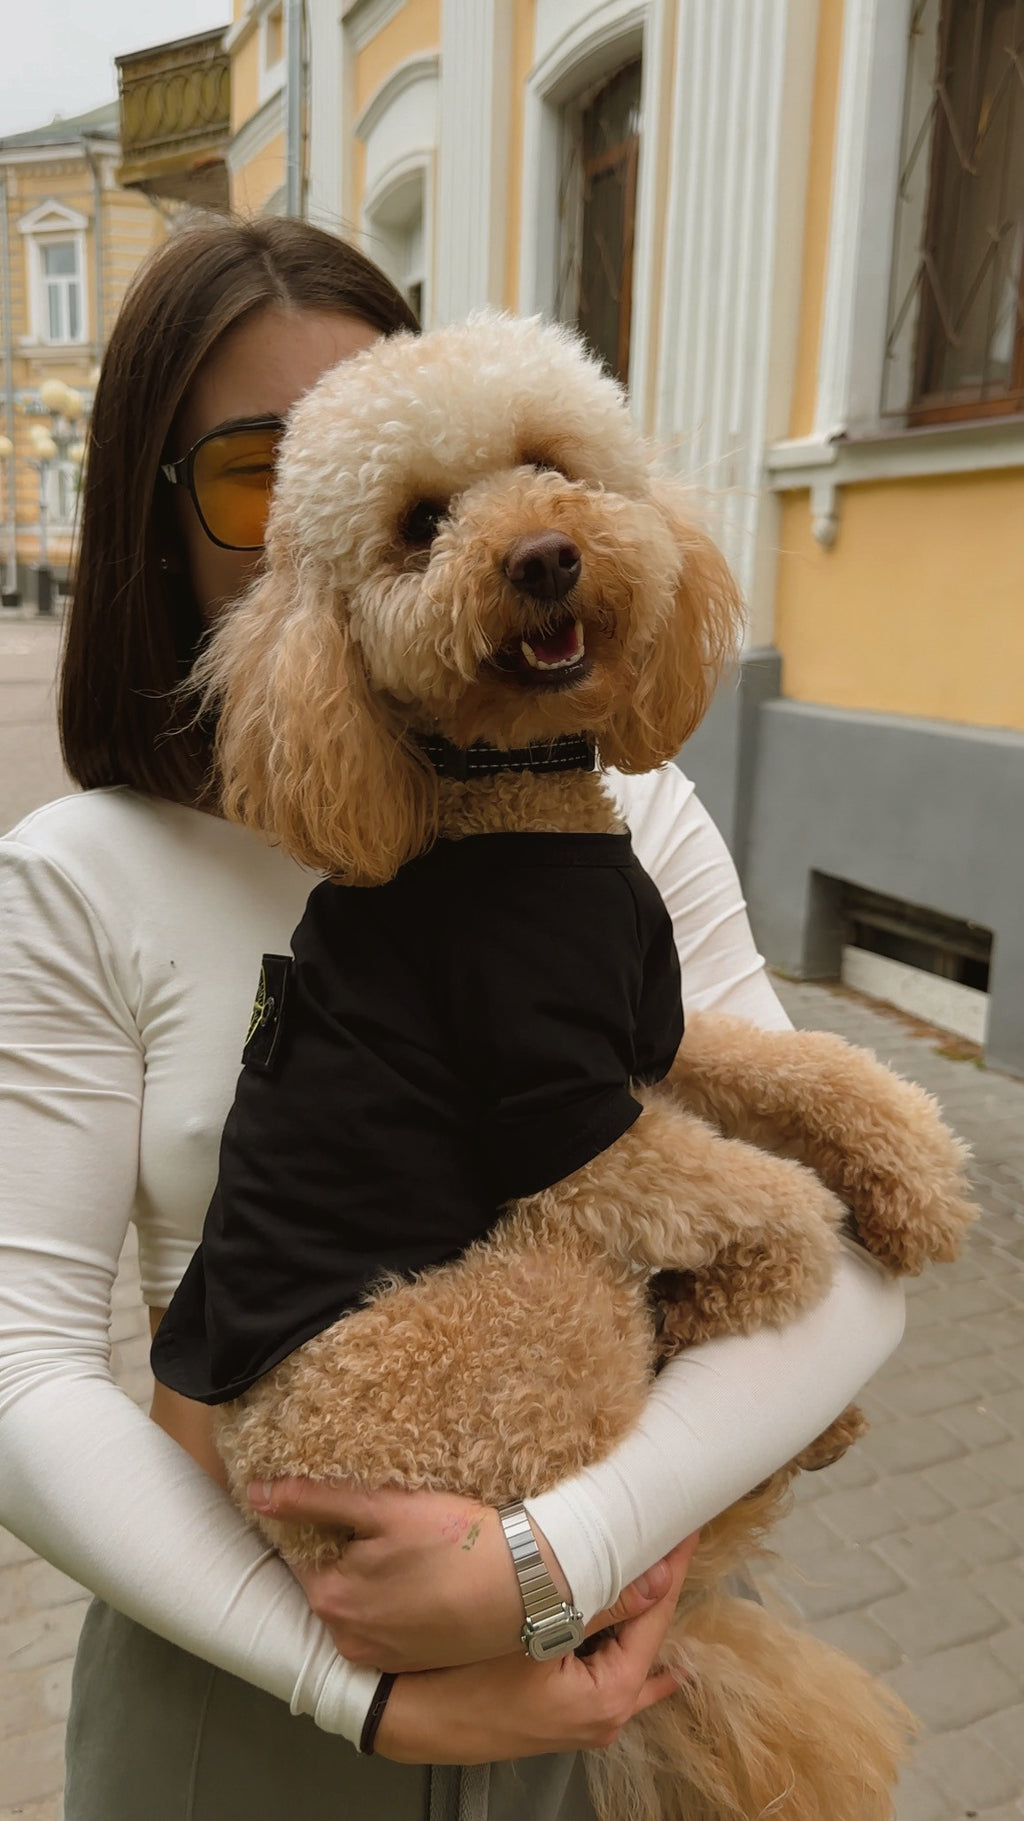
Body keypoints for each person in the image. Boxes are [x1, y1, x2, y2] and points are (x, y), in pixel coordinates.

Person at [0, 216, 905, 1821]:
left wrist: (552, 1562)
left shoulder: (629, 812)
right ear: (156, 516)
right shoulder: (79, 876)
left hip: (628, 1643)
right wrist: (354, 1681)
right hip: (246, 1673)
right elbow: (22, 1366)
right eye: (254, 473)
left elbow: (846, 1247)